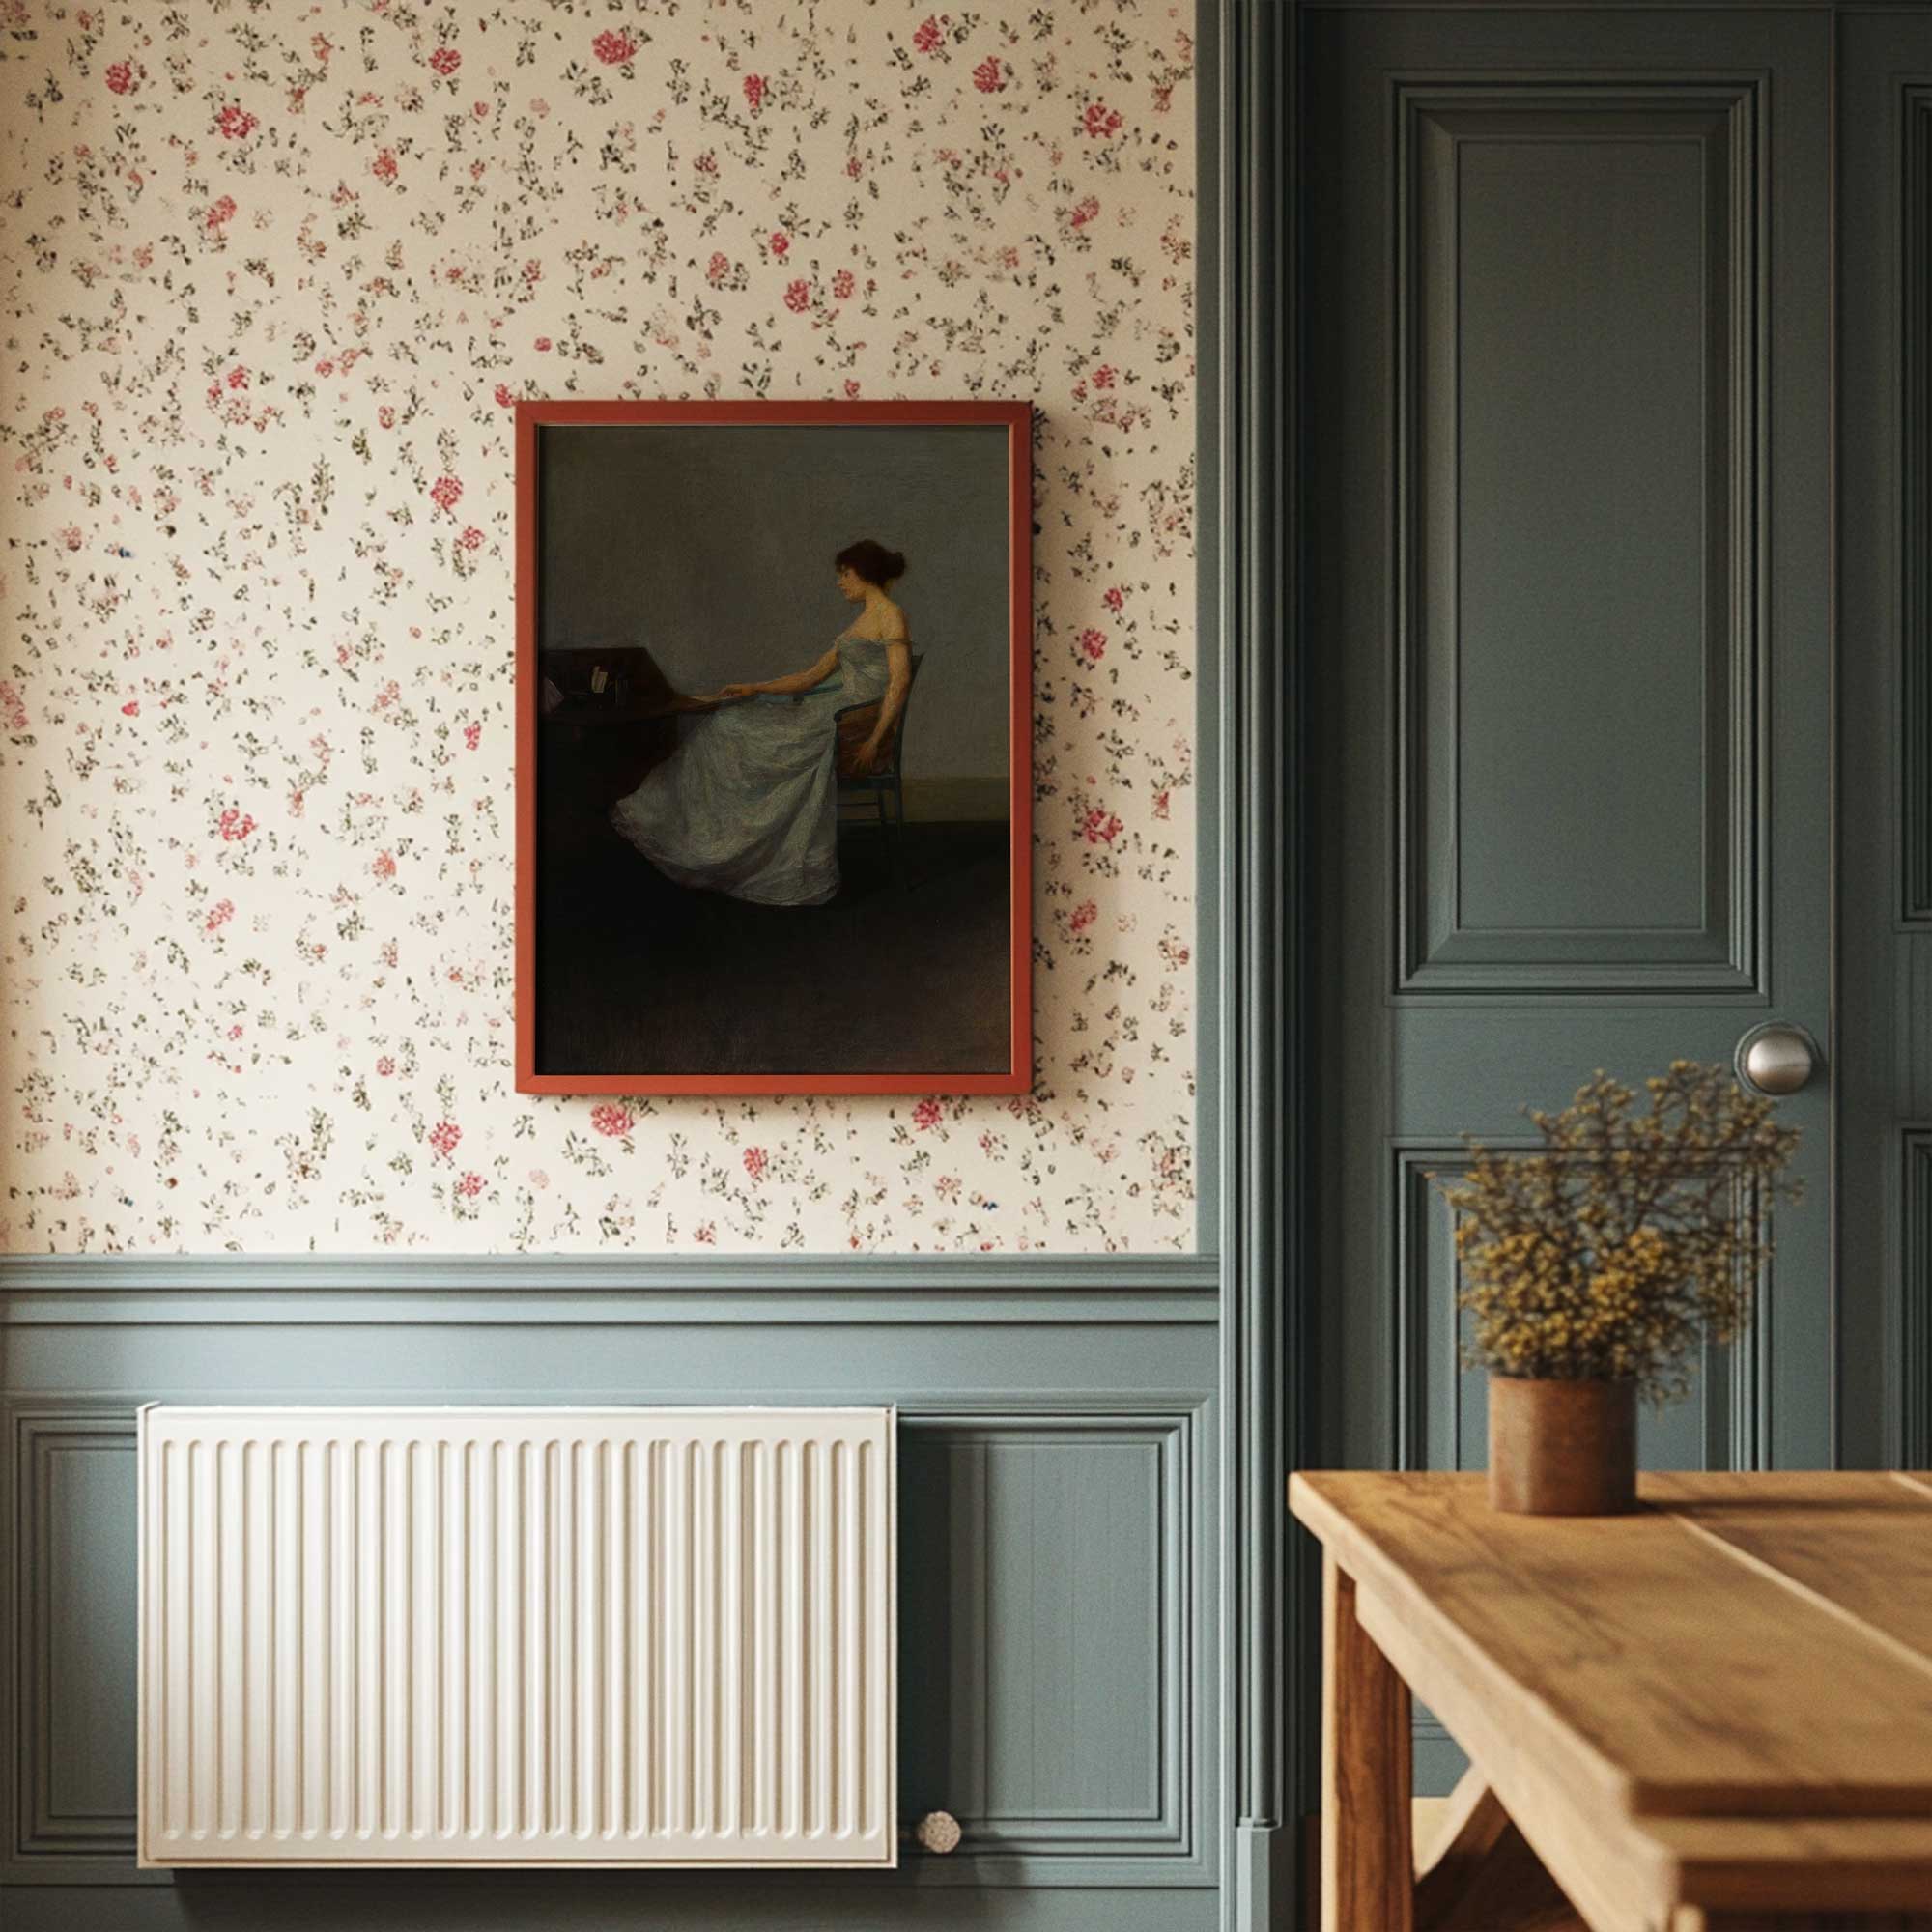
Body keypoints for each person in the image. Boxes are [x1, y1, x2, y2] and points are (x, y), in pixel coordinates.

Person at [609, 539, 914, 906]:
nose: (840, 582)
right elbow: (811, 676)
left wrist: (875, 739)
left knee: (731, 729)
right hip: (833, 711)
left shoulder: (890, 615)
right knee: (729, 720)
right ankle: (711, 836)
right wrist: (755, 687)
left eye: (845, 574)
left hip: (850, 723)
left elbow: (899, 682)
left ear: (865, 573)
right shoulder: (862, 619)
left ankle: (727, 846)